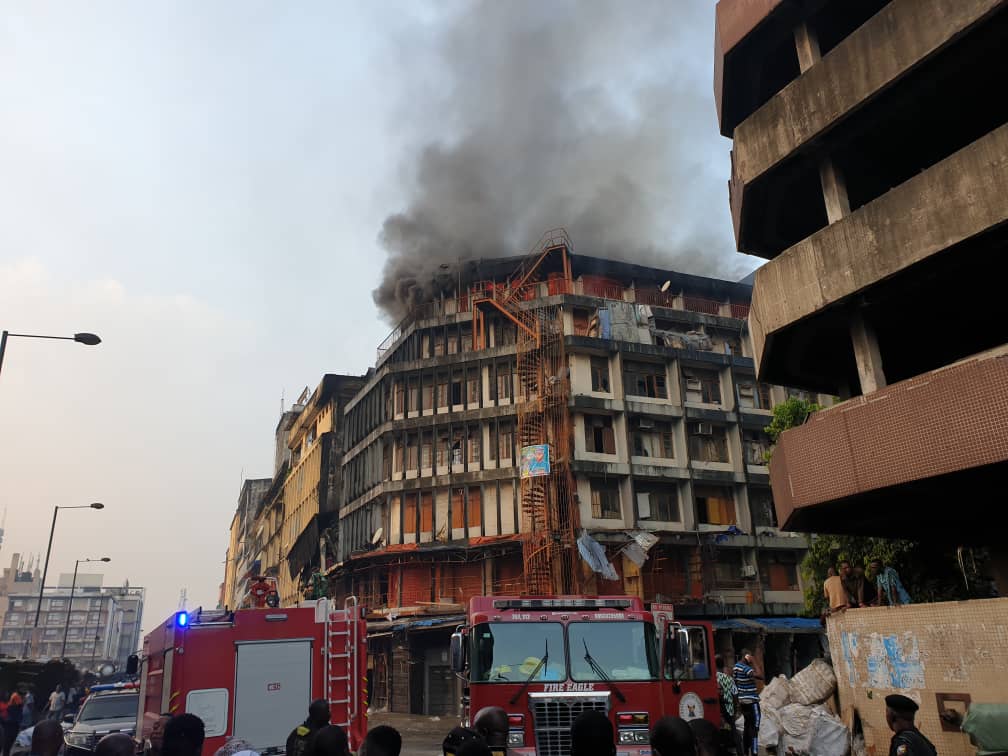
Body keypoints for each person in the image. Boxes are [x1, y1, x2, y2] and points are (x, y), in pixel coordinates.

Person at [732, 649, 762, 756]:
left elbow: (735, 683)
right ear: (747, 656)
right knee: (755, 727)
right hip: (752, 702)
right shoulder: (746, 668)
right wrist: (753, 661)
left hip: (743, 701)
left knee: (747, 726)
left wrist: (738, 701)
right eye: (751, 656)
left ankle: (745, 752)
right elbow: (760, 675)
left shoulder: (736, 667)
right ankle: (754, 752)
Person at [715, 655, 741, 755]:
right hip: (729, 712)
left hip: (717, 711)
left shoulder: (712, 679)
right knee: (734, 735)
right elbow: (735, 694)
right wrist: (734, 710)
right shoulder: (729, 679)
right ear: (723, 666)